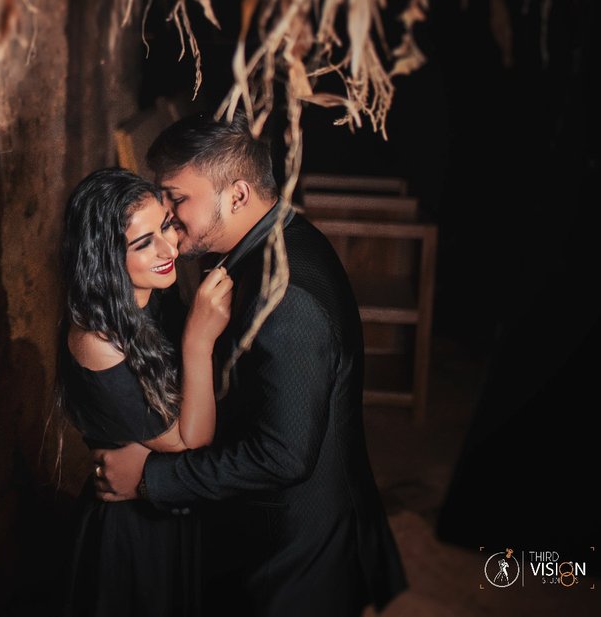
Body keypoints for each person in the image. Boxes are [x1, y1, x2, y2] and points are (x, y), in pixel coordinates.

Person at [91, 115, 408, 616]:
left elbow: (284, 455)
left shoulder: (286, 296)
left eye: (177, 199)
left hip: (293, 558)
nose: (168, 218)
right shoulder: (272, 241)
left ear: (237, 196)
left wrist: (151, 476)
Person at [55, 167, 234, 617]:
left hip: (166, 504)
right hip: (130, 530)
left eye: (165, 227)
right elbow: (189, 439)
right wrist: (200, 341)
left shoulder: (151, 294)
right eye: (142, 243)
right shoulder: (96, 339)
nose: (168, 247)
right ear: (105, 257)